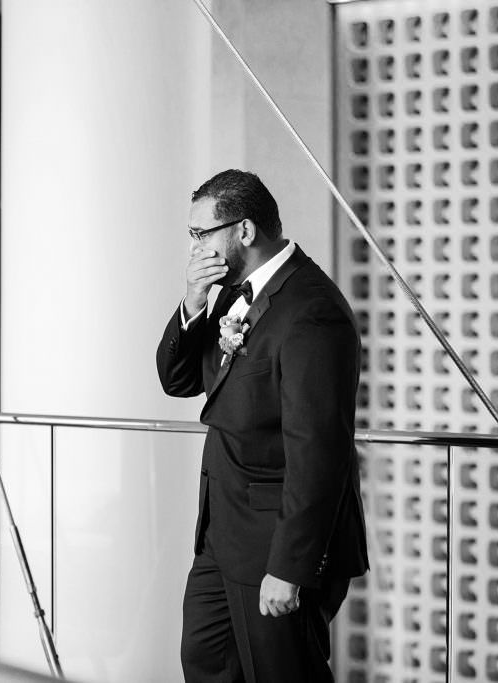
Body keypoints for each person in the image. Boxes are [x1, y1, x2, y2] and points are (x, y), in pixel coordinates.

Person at [156, 169, 368, 682]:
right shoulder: (231, 292)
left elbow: (319, 452)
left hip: (276, 546)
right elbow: (178, 380)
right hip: (220, 535)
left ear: (244, 231)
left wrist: (290, 568)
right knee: (204, 664)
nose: (195, 247)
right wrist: (192, 302)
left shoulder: (312, 313)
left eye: (201, 234)